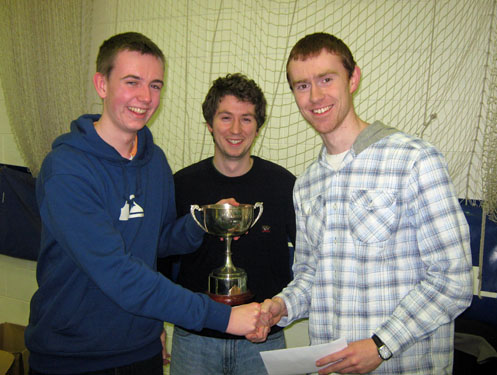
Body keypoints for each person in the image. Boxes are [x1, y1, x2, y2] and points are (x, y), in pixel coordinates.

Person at [25, 32, 262, 375]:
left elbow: (160, 240)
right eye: (131, 82)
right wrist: (222, 317)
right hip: (73, 358)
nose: (145, 97)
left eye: (155, 85)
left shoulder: (154, 162)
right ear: (101, 85)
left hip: (142, 352)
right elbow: (118, 272)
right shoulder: (66, 170)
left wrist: (201, 222)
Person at [251, 32, 473, 374]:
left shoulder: (414, 160)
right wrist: (283, 305)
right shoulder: (308, 184)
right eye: (302, 85)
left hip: (404, 366)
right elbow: (311, 274)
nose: (316, 96)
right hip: (332, 367)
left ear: (353, 79)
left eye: (327, 79)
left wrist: (382, 345)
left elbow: (453, 280)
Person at [157, 73, 296, 375]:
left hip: (262, 340)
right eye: (225, 117)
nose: (235, 129)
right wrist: (154, 324)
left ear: (258, 126)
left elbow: (308, 261)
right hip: (195, 339)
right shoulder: (180, 185)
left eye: (246, 119)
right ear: (209, 123)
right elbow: (161, 261)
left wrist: (279, 309)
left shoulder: (283, 186)